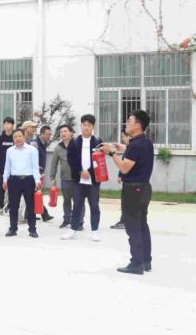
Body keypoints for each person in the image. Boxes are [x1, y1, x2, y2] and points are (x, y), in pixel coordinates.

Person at [106, 110, 154, 275]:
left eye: (129, 121)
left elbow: (124, 168)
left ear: (138, 125)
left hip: (133, 190)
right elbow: (136, 151)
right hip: (144, 188)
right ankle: (146, 261)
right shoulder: (145, 142)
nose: (126, 123)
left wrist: (111, 153)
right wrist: (123, 147)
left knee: (133, 228)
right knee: (142, 225)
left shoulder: (135, 145)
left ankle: (136, 264)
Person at [64, 114, 103, 241]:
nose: (86, 127)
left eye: (89, 125)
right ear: (81, 126)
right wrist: (80, 171)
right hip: (78, 180)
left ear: (93, 127)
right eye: (84, 125)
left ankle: (95, 231)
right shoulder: (74, 142)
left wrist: (89, 172)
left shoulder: (98, 142)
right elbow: (71, 160)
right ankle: (73, 230)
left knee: (94, 206)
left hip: (93, 180)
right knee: (77, 206)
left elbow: (100, 160)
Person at [4, 129, 42, 238]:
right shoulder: (9, 151)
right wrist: (5, 179)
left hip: (28, 180)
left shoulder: (32, 150)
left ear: (24, 137)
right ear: (13, 139)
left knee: (31, 206)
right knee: (13, 207)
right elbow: (7, 167)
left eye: (19, 136)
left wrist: (37, 180)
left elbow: (35, 167)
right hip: (14, 180)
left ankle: (32, 229)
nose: (17, 138)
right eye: (15, 137)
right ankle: (13, 229)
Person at [46, 124, 75, 229]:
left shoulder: (77, 144)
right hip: (65, 179)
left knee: (78, 200)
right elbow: (54, 164)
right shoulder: (58, 148)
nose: (63, 133)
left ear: (71, 133)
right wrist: (52, 177)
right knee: (66, 200)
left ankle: (79, 221)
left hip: (78, 178)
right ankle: (67, 220)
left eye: (65, 131)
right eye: (61, 132)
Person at [0, 117, 15, 216]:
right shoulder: (0, 139)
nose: (6, 125)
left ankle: (10, 207)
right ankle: (0, 207)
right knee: (1, 188)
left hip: (13, 169)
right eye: (5, 123)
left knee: (12, 189)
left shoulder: (15, 138)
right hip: (1, 168)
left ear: (12, 125)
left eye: (8, 123)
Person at [111, 131, 132, 230]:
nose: (123, 139)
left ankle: (125, 221)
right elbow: (123, 163)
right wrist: (120, 175)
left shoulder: (132, 150)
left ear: (129, 137)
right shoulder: (128, 149)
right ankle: (124, 220)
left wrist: (111, 152)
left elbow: (126, 165)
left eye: (124, 137)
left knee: (127, 202)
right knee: (125, 201)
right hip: (126, 179)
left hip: (131, 181)